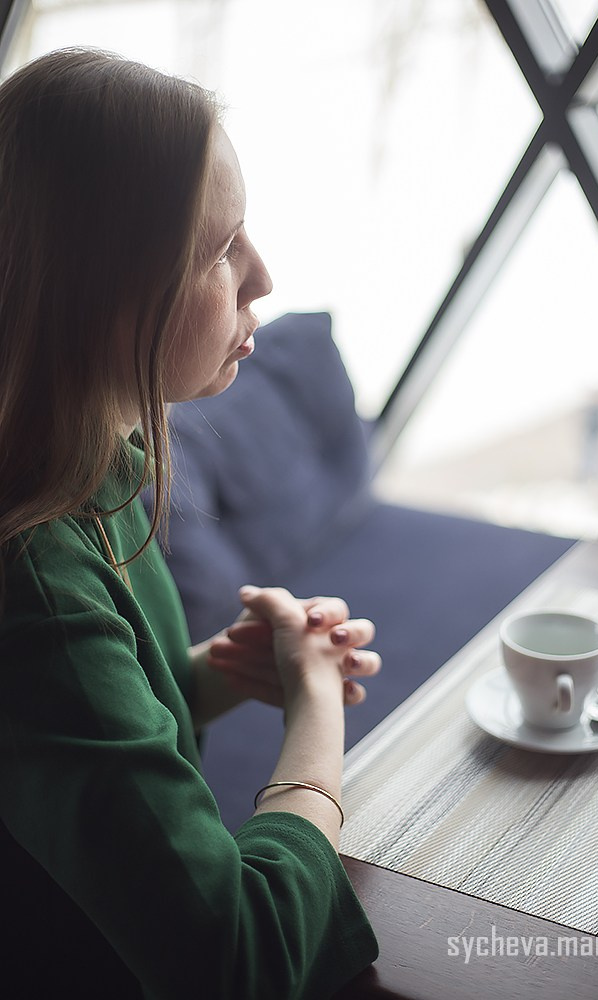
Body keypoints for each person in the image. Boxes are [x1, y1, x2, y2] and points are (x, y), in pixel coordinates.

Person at [0, 47, 381, 999]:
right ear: (95, 294)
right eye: (217, 250)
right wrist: (316, 717)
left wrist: (207, 676)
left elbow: (58, 741)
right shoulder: (31, 582)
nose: (262, 276)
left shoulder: (85, 469)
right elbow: (235, 963)